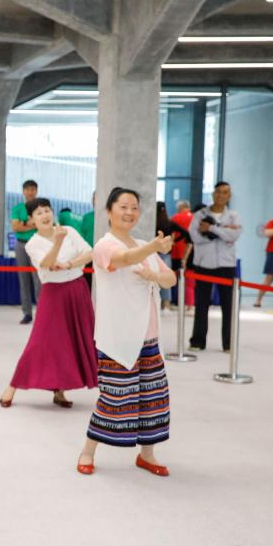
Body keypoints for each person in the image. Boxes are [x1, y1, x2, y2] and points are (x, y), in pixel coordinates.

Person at [77, 188, 175, 477]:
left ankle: (147, 455)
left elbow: (170, 278)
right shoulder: (104, 245)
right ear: (108, 211)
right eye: (123, 206)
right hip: (118, 337)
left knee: (152, 399)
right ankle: (87, 451)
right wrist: (154, 248)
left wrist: (153, 274)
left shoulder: (144, 244)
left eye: (134, 207)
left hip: (149, 336)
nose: (130, 212)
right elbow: (125, 259)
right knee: (114, 398)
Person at [0, 198, 96, 408]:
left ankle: (60, 391)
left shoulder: (69, 230)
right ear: (32, 220)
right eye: (38, 213)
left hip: (77, 290)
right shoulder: (32, 244)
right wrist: (58, 242)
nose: (44, 215)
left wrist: (69, 264)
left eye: (46, 210)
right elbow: (46, 264)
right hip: (53, 293)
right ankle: (13, 385)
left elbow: (90, 253)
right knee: (39, 342)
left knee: (70, 343)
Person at [188, 182, 242, 352]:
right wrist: (221, 233)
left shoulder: (233, 216)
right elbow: (195, 236)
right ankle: (197, 341)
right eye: (218, 191)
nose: (221, 195)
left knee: (228, 305)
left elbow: (234, 235)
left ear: (229, 196)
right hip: (204, 264)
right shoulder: (200, 214)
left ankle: (228, 343)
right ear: (213, 194)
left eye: (225, 192)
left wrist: (211, 229)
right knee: (201, 304)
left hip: (227, 265)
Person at [11, 179, 42, 324]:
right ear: (23, 191)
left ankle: (41, 313)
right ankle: (27, 313)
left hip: (37, 244)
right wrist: (31, 224)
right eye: (27, 189)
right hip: (21, 244)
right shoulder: (18, 208)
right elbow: (15, 227)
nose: (30, 192)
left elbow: (43, 225)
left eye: (33, 189)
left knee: (38, 279)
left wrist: (24, 224)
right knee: (23, 279)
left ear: (36, 191)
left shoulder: (41, 208)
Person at [169, 200, 194, 309]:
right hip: (192, 251)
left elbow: (170, 232)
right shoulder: (194, 218)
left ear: (181, 207)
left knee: (176, 279)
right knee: (190, 280)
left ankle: (175, 301)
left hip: (177, 252)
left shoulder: (175, 218)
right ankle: (190, 303)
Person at [155, 202, 174, 311]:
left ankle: (161, 304)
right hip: (166, 254)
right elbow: (185, 233)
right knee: (165, 279)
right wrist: (172, 241)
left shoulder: (154, 222)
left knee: (157, 280)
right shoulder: (169, 222)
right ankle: (166, 304)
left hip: (155, 252)